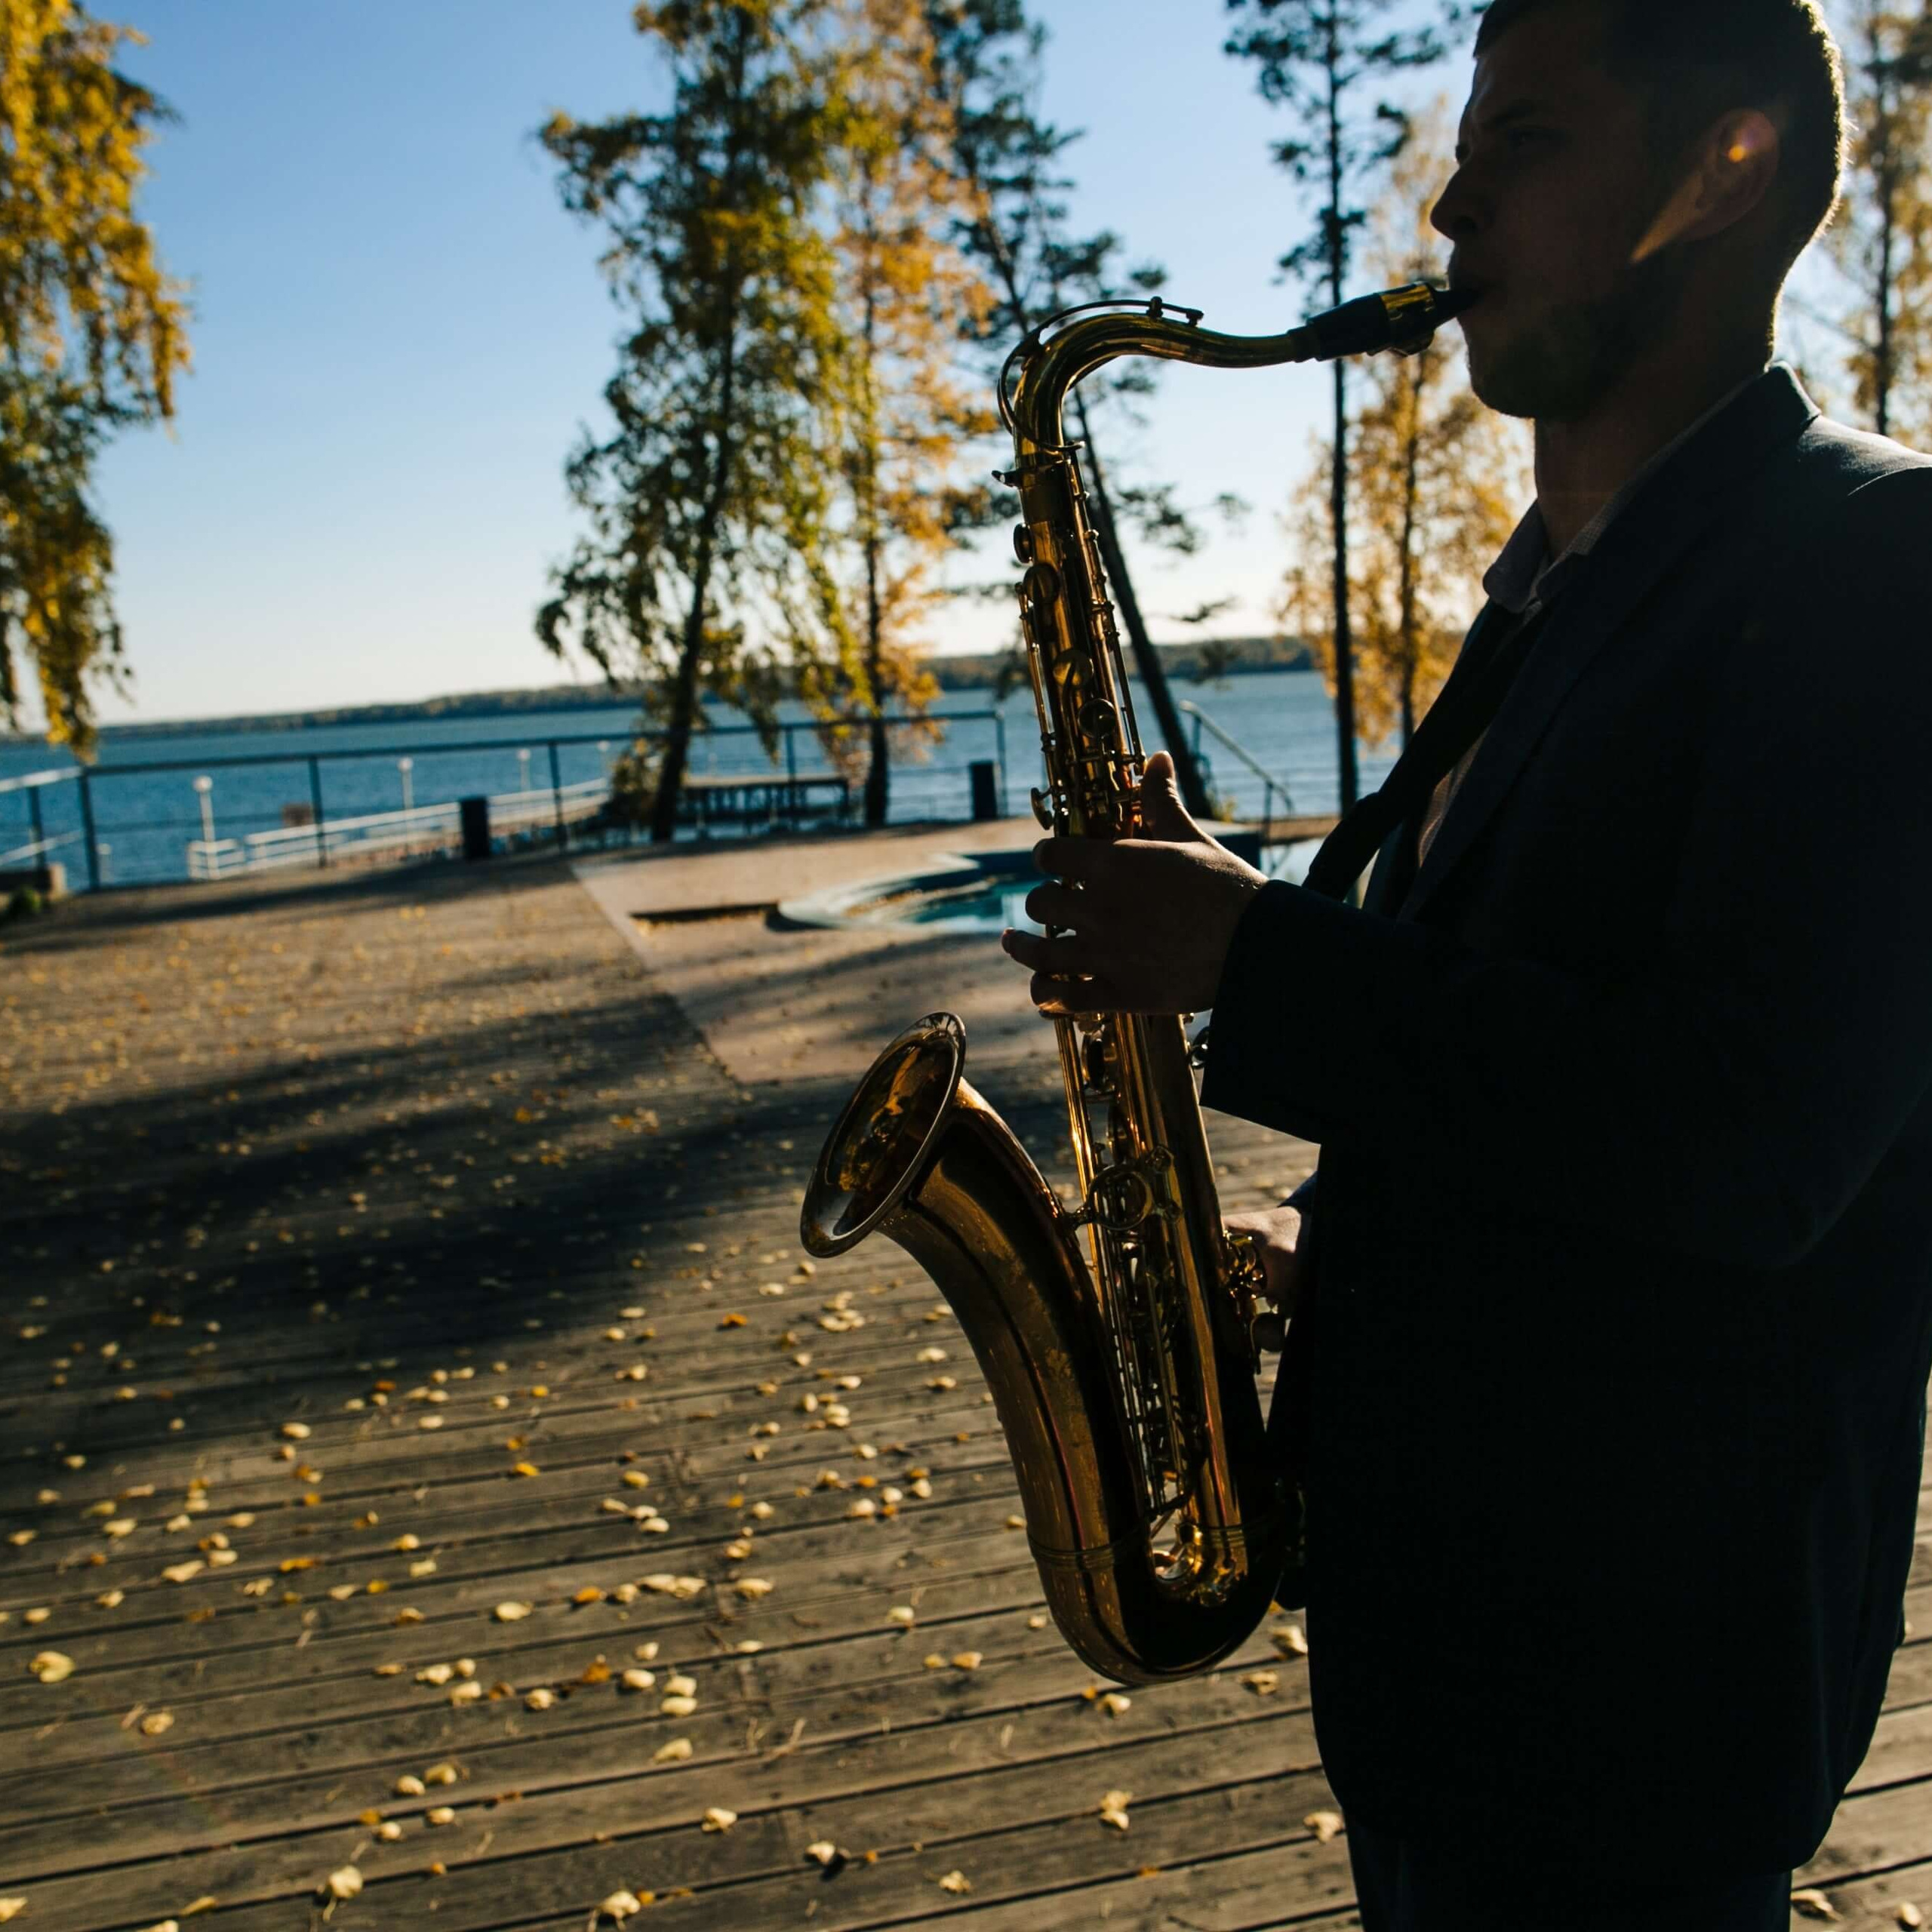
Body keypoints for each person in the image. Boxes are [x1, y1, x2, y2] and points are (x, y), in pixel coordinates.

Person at [1000, 1, 1932, 1926]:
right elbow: (1550, 1068)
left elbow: (1752, 1131)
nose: (1446, 201)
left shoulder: (1875, 552)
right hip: (1454, 1669)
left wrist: (1251, 953)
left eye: (1520, 143)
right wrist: (1336, 1255)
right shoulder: (1556, 580)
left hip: (1635, 1710)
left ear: (1716, 174)